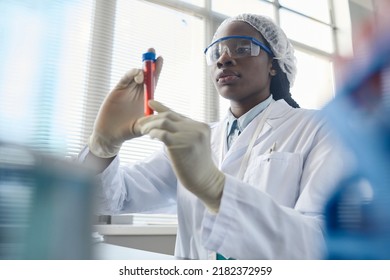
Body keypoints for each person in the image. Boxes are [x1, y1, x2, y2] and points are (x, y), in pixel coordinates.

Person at [80, 13, 349, 259]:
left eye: (243, 48)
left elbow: (320, 242)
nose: (224, 59)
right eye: (217, 52)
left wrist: (216, 189)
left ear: (274, 65)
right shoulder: (195, 139)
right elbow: (115, 199)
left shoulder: (318, 128)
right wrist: (102, 148)